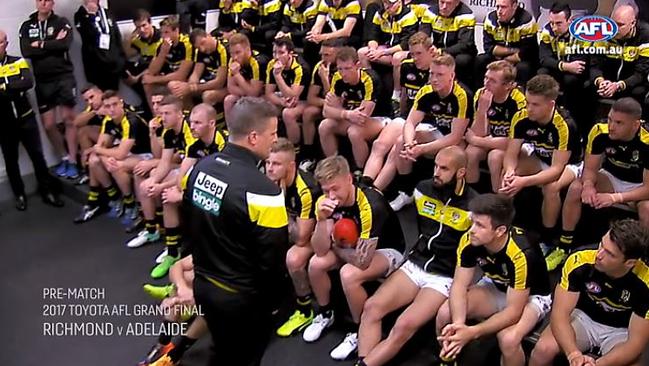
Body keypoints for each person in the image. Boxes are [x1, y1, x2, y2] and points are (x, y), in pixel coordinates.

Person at [182, 97, 287, 366]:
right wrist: (273, 304)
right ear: (253, 137)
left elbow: (189, 225)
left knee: (222, 353)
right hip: (241, 300)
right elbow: (272, 260)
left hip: (203, 286)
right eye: (272, 133)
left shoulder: (199, 168)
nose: (275, 140)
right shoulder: (265, 190)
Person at [357, 146, 477, 366]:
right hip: (416, 263)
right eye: (435, 165)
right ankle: (365, 360)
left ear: (461, 173)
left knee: (403, 325)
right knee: (372, 307)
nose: (436, 172)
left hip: (444, 276)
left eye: (444, 168)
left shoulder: (473, 207)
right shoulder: (422, 189)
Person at [298, 156, 405, 361]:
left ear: (349, 179)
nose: (331, 195)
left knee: (349, 274)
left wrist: (335, 247)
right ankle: (326, 313)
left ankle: (359, 330)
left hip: (386, 250)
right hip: (349, 247)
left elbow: (362, 261)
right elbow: (320, 250)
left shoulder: (371, 205)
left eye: (335, 188)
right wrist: (321, 221)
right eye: (326, 190)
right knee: (316, 264)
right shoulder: (325, 202)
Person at [436, 193, 551, 366]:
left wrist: (473, 331)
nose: (472, 229)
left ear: (500, 231)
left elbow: (513, 311)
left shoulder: (522, 254)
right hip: (495, 285)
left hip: (530, 297)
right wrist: (460, 325)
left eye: (480, 225)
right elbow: (459, 285)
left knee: (508, 339)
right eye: (473, 221)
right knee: (446, 314)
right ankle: (449, 357)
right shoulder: (470, 239)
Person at [529, 219, 649, 366]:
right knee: (543, 349)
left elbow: (635, 344)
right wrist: (574, 354)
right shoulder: (580, 260)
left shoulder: (646, 282)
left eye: (610, 254)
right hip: (583, 317)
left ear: (630, 262)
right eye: (601, 245)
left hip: (622, 331)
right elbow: (559, 316)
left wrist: (598, 364)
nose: (599, 254)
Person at [548, 97, 649, 270]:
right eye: (610, 119)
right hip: (610, 177)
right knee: (576, 188)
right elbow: (590, 170)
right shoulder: (599, 131)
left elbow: (648, 189)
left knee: (647, 209)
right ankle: (564, 246)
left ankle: (642, 259)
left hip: (638, 187)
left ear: (635, 125)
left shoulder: (647, 141)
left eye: (619, 123)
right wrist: (588, 185)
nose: (611, 126)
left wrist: (615, 197)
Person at [499, 75, 581, 267]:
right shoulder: (521, 116)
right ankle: (501, 224)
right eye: (527, 102)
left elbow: (556, 170)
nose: (529, 108)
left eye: (535, 104)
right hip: (539, 156)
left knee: (551, 187)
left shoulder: (564, 125)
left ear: (551, 104)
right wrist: (511, 171)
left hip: (570, 165)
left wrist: (524, 182)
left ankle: (548, 240)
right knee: (509, 174)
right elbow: (511, 154)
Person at [390, 54, 472, 211]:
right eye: (431, 73)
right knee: (401, 142)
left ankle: (451, 199)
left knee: (454, 153)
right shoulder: (426, 90)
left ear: (452, 76)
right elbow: (410, 122)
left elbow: (455, 137)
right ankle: (406, 192)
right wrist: (410, 143)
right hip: (436, 133)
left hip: (458, 139)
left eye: (440, 75)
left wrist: (422, 149)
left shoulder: (462, 96)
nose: (434, 79)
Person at [0, 29, 63, 211]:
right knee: (11, 161)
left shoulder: (18, 61)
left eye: (1, 42)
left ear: (6, 44)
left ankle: (47, 191)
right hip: (4, 123)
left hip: (26, 118)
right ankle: (19, 194)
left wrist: (4, 86)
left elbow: (27, 82)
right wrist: (12, 87)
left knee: (37, 156)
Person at [362, 31, 434, 192]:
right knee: (379, 144)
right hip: (407, 117)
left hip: (428, 122)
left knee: (397, 146)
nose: (416, 58)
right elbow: (404, 96)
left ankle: (375, 192)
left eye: (419, 54)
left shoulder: (437, 71)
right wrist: (400, 114)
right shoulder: (407, 66)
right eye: (412, 53)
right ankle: (365, 183)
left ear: (431, 51)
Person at [267, 139, 322, 338]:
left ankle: (305, 310)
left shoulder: (305, 191)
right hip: (293, 226)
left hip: (318, 237)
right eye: (268, 162)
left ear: (291, 165)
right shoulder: (270, 179)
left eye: (276, 164)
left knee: (294, 257)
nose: (270, 169)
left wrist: (279, 204)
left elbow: (301, 237)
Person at [19, 0, 79, 179]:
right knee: (49, 124)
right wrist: (52, 42)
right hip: (43, 81)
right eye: (40, 0)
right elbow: (26, 51)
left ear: (53, 3)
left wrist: (41, 44)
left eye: (48, 0)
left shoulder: (61, 22)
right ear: (36, 2)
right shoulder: (27, 25)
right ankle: (64, 157)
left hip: (64, 78)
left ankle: (74, 161)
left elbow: (65, 44)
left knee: (69, 119)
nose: (44, 3)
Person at [74, 91, 151, 224]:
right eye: (107, 106)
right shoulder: (109, 120)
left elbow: (119, 153)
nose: (111, 109)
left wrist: (100, 150)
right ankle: (114, 197)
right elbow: (102, 144)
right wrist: (98, 150)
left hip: (148, 155)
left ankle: (130, 203)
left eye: (114, 105)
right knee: (94, 160)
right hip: (130, 153)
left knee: (115, 165)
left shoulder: (131, 120)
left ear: (121, 103)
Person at [319, 47, 388, 171]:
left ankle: (360, 171)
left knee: (355, 132)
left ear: (358, 65)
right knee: (325, 125)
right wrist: (346, 113)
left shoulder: (369, 79)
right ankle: (333, 167)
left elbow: (362, 117)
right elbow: (326, 111)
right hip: (350, 116)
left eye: (347, 68)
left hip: (379, 119)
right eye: (340, 68)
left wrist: (338, 109)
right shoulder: (337, 78)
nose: (343, 73)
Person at [465, 60, 526, 192]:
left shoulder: (518, 101)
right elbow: (479, 132)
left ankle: (496, 198)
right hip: (491, 139)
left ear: (508, 86)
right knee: (471, 152)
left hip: (515, 146)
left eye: (492, 81)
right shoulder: (481, 94)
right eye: (486, 78)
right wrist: (482, 110)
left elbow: (513, 142)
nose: (486, 83)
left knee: (495, 157)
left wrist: (476, 140)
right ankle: (471, 195)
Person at [538, 2, 590, 137]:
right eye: (552, 23)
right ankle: (541, 120)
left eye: (559, 23)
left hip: (577, 76)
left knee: (571, 80)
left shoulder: (582, 33)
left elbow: (580, 65)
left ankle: (569, 123)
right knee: (541, 74)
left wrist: (561, 65)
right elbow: (544, 59)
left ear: (569, 21)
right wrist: (565, 66)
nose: (554, 27)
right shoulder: (547, 31)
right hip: (560, 69)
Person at [590, 4, 649, 119]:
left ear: (633, 23)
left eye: (620, 25)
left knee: (639, 92)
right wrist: (600, 81)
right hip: (607, 81)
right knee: (585, 86)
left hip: (629, 83)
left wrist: (618, 86)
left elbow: (641, 73)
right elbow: (595, 64)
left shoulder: (645, 36)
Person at [476, 0, 539, 86]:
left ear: (514, 6)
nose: (499, 11)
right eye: (497, 7)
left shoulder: (527, 21)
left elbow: (526, 53)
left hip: (519, 61)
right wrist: (513, 50)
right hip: (499, 57)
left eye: (503, 7)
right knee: (480, 60)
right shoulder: (490, 19)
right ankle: (480, 91)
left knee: (524, 67)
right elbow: (489, 48)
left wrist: (504, 59)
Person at [300, 39, 341, 169]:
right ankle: (309, 154)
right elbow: (311, 98)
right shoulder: (320, 66)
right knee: (308, 112)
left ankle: (335, 163)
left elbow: (337, 102)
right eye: (322, 54)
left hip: (344, 108)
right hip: (327, 106)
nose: (323, 58)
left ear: (337, 54)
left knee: (327, 121)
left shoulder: (342, 69)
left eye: (327, 55)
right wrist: (326, 103)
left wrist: (325, 80)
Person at [419, 0, 477, 87]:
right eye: (442, 2)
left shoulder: (466, 15)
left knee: (462, 60)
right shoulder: (430, 12)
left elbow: (465, 44)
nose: (444, 6)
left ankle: (459, 88)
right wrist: (429, 49)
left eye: (449, 3)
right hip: (437, 48)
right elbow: (423, 36)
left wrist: (441, 51)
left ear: (457, 3)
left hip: (458, 52)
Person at [264, 37, 310, 146]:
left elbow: (293, 96)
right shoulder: (272, 64)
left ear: (291, 53)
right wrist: (281, 102)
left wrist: (278, 76)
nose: (277, 57)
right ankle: (268, 144)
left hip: (304, 99)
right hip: (284, 97)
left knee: (288, 114)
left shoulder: (301, 68)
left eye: (281, 53)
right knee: (264, 107)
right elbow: (268, 93)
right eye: (274, 52)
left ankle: (295, 148)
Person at [142, 15, 193, 110]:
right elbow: (152, 71)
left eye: (167, 32)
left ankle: (187, 115)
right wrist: (163, 52)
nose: (164, 36)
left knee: (173, 85)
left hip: (187, 80)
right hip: (169, 77)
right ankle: (157, 117)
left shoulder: (187, 44)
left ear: (176, 31)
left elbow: (181, 75)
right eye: (162, 33)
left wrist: (154, 79)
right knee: (147, 83)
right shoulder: (162, 45)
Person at [74, 0, 125, 91]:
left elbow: (116, 36)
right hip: (96, 65)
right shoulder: (80, 15)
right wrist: (91, 15)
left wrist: (121, 59)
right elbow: (88, 36)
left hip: (113, 63)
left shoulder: (106, 12)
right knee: (101, 98)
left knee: (113, 96)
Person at [223, 33, 269, 121]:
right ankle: (232, 131)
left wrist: (237, 75)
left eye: (238, 52)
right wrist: (248, 88)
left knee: (252, 102)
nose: (235, 57)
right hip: (248, 93)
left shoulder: (257, 62)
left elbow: (254, 94)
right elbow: (230, 88)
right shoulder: (232, 60)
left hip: (265, 95)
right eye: (232, 53)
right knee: (228, 100)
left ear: (248, 50)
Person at [186, 28, 229, 106]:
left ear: (208, 35)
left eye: (203, 43)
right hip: (208, 82)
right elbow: (196, 73)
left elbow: (219, 83)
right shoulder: (200, 52)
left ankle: (207, 117)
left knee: (208, 95)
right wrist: (191, 84)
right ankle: (189, 115)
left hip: (226, 87)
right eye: (198, 47)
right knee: (180, 89)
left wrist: (196, 87)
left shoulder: (222, 49)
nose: (202, 49)